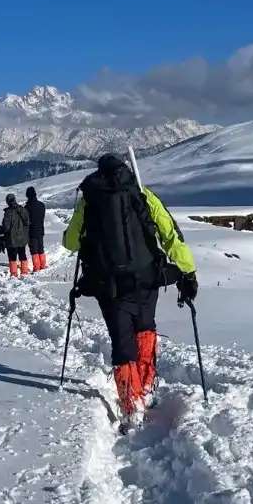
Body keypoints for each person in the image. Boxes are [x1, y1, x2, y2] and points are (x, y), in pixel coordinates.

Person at [62, 153, 198, 425]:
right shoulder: (143, 194)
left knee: (122, 341)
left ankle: (130, 404)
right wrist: (188, 271)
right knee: (145, 329)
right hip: (147, 280)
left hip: (108, 285)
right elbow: (169, 234)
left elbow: (70, 243)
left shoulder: (90, 199)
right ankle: (146, 389)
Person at [0, 193, 31, 276]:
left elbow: (6, 226)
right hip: (22, 237)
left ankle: (14, 273)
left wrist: (1, 230)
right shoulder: (23, 209)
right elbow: (27, 222)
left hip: (11, 238)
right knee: (22, 254)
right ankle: (24, 271)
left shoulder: (8, 212)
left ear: (8, 201)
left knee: (12, 256)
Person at [24, 186, 47, 271]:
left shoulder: (26, 208)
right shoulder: (42, 205)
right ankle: (43, 265)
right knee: (41, 248)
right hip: (41, 230)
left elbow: (25, 221)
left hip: (31, 231)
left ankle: (36, 267)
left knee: (34, 250)